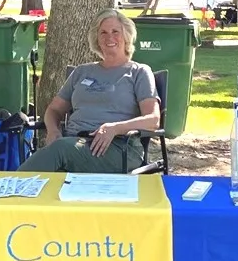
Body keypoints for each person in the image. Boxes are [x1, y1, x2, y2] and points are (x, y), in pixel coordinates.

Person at [20, 9, 159, 174]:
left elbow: (153, 120)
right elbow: (54, 109)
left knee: (59, 151)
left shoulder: (139, 72)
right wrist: (53, 130)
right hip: (73, 142)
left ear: (127, 36)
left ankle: (6, 191)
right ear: (97, 39)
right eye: (103, 33)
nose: (109, 38)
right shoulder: (82, 71)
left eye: (116, 31)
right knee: (59, 150)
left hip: (117, 147)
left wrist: (115, 128)